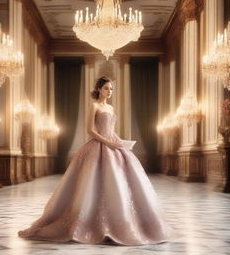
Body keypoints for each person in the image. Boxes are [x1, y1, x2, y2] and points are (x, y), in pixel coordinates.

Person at [18, 76, 174, 245]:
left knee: (121, 181)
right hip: (98, 146)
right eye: (106, 88)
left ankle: (122, 222)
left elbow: (110, 129)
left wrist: (119, 142)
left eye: (111, 89)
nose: (109, 91)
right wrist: (108, 142)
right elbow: (90, 130)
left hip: (113, 143)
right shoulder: (94, 106)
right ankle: (85, 221)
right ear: (99, 89)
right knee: (91, 182)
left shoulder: (111, 108)